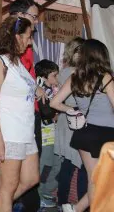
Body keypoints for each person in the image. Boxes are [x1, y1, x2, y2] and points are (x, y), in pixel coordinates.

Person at [50, 39, 114, 212]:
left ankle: (75, 209)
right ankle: (78, 209)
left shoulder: (75, 77)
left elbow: (54, 103)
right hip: (107, 136)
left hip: (84, 133)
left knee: (96, 180)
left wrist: (72, 110)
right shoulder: (105, 77)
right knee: (102, 181)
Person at [0, 16, 39, 212]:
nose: (30, 41)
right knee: (7, 187)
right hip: (8, 132)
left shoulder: (15, 62)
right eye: (27, 36)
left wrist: (38, 90)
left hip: (24, 130)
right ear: (16, 37)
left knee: (31, 178)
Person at [5, 0, 45, 212]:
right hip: (15, 119)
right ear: (19, 16)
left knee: (29, 176)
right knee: (9, 178)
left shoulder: (24, 43)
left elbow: (27, 72)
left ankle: (8, 204)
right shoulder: (6, 48)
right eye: (33, 16)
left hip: (30, 114)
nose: (36, 22)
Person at [54, 37, 88, 207]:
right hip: (74, 120)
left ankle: (62, 202)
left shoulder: (63, 72)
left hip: (64, 120)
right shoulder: (78, 73)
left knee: (67, 165)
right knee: (81, 167)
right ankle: (80, 206)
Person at [34, 59, 60, 208]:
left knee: (55, 163)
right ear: (44, 76)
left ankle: (46, 191)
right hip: (44, 134)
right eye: (54, 76)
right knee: (45, 165)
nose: (56, 79)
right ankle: (40, 194)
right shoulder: (40, 89)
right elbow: (45, 112)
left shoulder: (49, 89)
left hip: (51, 133)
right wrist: (55, 112)